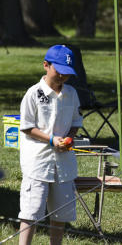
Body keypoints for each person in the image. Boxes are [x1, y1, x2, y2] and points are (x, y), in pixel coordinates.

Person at [18, 45, 82, 245]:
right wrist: (52, 139)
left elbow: (75, 123)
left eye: (67, 74)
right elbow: (27, 127)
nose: (62, 77)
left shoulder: (71, 93)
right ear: (46, 65)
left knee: (60, 214)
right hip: (38, 163)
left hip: (63, 165)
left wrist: (69, 138)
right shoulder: (34, 93)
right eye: (59, 72)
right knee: (31, 211)